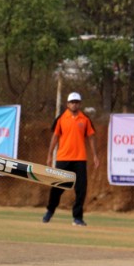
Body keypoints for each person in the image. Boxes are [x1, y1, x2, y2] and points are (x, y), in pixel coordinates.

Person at [43, 91, 99, 226]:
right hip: (63, 158)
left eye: (77, 102)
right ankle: (50, 211)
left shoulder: (85, 119)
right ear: (68, 104)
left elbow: (91, 138)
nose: (74, 104)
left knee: (81, 189)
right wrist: (50, 155)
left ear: (80, 104)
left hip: (80, 159)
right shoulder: (61, 119)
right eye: (72, 102)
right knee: (57, 187)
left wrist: (95, 155)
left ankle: (77, 218)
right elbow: (55, 137)